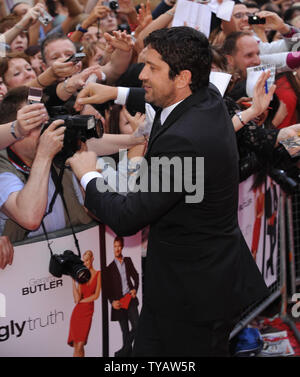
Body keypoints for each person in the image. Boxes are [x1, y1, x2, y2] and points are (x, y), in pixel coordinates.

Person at [68, 26, 269, 357]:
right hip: (191, 283)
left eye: (152, 68)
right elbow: (157, 100)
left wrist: (89, 176)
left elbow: (128, 217)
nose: (143, 75)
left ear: (182, 77)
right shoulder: (206, 99)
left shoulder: (184, 142)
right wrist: (113, 93)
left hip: (192, 297)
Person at [103, 236, 139, 357]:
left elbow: (136, 275)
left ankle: (122, 351)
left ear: (122, 247)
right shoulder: (109, 268)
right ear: (113, 248)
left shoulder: (128, 261)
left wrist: (135, 288)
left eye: (119, 246)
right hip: (119, 302)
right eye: (115, 246)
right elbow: (107, 289)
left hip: (130, 298)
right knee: (124, 331)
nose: (117, 249)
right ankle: (126, 354)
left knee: (137, 326)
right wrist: (112, 302)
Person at [68, 250, 101, 357]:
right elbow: (77, 299)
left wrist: (83, 300)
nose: (86, 263)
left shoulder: (98, 274)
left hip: (88, 313)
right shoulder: (81, 276)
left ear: (92, 259)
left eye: (87, 260)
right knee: (77, 346)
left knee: (81, 345)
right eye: (84, 261)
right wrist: (73, 281)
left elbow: (96, 296)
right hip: (77, 313)